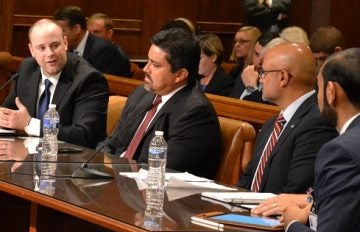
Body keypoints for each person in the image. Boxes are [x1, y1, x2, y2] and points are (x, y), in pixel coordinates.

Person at [281, 48, 360, 232]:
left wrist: (292, 224)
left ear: (331, 91)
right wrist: (316, 209)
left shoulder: (341, 151)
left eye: (318, 88)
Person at [101, 28, 222, 179]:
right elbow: (112, 143)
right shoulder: (142, 93)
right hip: (120, 183)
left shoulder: (195, 113)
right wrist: (98, 167)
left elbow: (162, 170)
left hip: (158, 194)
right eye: (148, 61)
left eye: (155, 65)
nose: (146, 69)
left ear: (180, 75)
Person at [237, 42, 337, 194]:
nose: (260, 79)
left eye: (263, 73)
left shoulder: (317, 123)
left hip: (273, 215)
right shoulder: (273, 123)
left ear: (282, 77)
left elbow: (294, 192)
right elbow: (249, 178)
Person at [0, 19, 108, 149]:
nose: (50, 53)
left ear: (66, 43)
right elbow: (7, 114)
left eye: (55, 45)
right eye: (41, 48)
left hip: (70, 164)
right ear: (31, 50)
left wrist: (30, 124)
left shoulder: (88, 79)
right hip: (27, 157)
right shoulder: (27, 69)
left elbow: (84, 136)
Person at [54, 5, 131, 77]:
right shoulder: (67, 49)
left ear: (77, 29)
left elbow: (102, 85)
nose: (58, 35)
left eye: (62, 31)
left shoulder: (104, 50)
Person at [229, 31, 279, 102]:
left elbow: (262, 111)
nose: (259, 62)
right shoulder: (246, 73)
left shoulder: (277, 85)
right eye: (256, 54)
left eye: (265, 57)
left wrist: (251, 88)